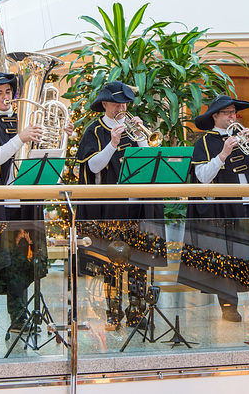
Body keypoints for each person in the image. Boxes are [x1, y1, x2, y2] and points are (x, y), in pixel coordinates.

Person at [0, 72, 73, 340]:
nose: (6, 96)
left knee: (21, 264)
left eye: (9, 91)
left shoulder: (24, 121)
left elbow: (47, 159)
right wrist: (21, 138)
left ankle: (19, 318)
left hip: (23, 204)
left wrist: (62, 139)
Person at [178, 95, 249, 322]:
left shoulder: (246, 137)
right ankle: (229, 307)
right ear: (215, 116)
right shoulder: (205, 142)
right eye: (227, 113)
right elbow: (201, 177)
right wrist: (223, 153)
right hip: (223, 210)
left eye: (234, 112)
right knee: (226, 258)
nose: (233, 117)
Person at [75, 81, 165, 330]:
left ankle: (136, 312)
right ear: (105, 104)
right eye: (116, 103)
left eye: (124, 103)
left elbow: (149, 162)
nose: (121, 108)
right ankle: (113, 312)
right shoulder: (95, 130)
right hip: (110, 207)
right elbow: (92, 167)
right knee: (112, 264)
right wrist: (112, 144)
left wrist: (142, 137)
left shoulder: (134, 128)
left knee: (138, 264)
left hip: (137, 207)